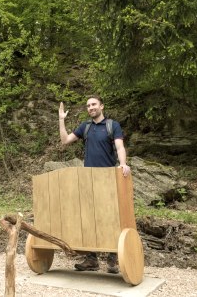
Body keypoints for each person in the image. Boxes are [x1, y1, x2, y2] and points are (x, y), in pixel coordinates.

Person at [58, 95, 130, 274]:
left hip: (108, 177)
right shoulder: (86, 127)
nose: (91, 107)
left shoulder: (112, 125)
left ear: (101, 106)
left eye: (94, 104)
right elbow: (65, 141)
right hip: (88, 179)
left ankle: (113, 259)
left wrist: (122, 164)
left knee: (111, 217)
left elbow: (120, 147)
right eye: (88, 105)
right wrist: (61, 120)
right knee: (89, 219)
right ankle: (92, 259)